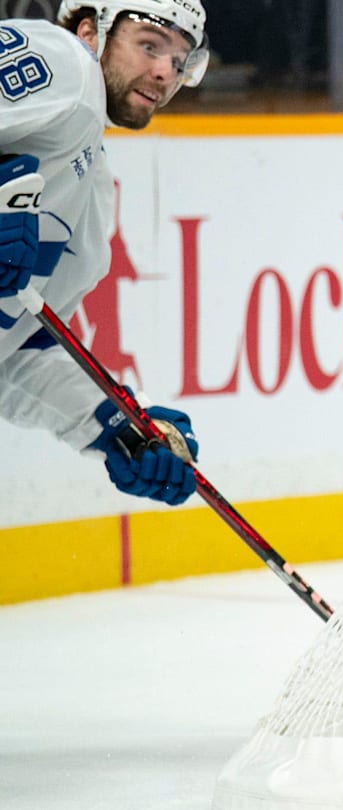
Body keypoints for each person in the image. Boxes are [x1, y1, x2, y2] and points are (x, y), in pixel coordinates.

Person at [0, 0, 210, 506]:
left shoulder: (89, 213)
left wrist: (117, 424)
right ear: (91, 31)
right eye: (149, 45)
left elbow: (17, 361)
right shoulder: (65, 64)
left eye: (179, 61)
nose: (164, 71)